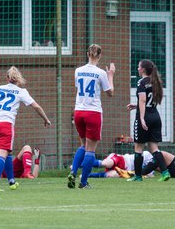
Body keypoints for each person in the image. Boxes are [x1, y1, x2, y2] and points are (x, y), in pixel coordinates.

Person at [0, 66, 51, 191]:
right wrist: (46, 119)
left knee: (7, 153)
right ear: (19, 79)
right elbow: (36, 107)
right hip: (5, 125)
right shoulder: (21, 92)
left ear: (7, 78)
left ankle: (11, 181)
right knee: (2, 154)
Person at [68, 44, 115, 189]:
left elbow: (78, 89)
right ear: (99, 56)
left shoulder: (78, 71)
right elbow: (110, 93)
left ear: (87, 54)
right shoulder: (101, 73)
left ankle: (73, 172)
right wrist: (111, 75)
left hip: (78, 111)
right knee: (90, 150)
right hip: (93, 112)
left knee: (83, 145)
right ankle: (83, 182)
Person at [126, 59, 170, 182]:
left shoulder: (141, 82)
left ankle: (138, 176)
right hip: (155, 116)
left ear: (143, 69)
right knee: (154, 148)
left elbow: (143, 100)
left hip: (145, 117)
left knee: (138, 147)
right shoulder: (155, 82)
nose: (138, 69)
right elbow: (149, 102)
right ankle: (165, 172)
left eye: (139, 67)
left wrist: (141, 118)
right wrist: (136, 106)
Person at [86, 151, 153, 178]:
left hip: (125, 171)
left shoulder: (151, 172)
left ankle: (89, 175)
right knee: (106, 163)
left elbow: (147, 175)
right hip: (123, 160)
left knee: (113, 175)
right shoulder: (148, 155)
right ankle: (83, 164)